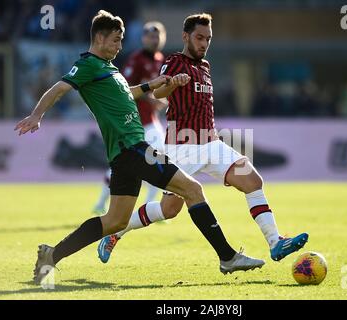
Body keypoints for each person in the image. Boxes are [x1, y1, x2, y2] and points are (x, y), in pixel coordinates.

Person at [15, 10, 265, 285]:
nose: (119, 46)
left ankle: (52, 255)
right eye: (115, 41)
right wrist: (37, 115)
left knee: (115, 221)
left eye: (121, 41)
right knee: (193, 189)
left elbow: (126, 93)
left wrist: (150, 85)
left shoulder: (109, 68)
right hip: (132, 148)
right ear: (99, 38)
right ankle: (228, 257)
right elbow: (58, 89)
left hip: (126, 153)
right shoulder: (87, 66)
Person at [98, 13, 308, 265]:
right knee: (168, 210)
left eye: (208, 39)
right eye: (199, 38)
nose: (204, 43)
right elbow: (159, 91)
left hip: (211, 143)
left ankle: (275, 242)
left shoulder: (205, 66)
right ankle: (115, 233)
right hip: (182, 147)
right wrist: (173, 84)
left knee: (253, 181)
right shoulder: (174, 62)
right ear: (186, 36)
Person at [93, 21, 168, 214]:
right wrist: (150, 99)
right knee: (151, 159)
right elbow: (125, 88)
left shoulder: (160, 60)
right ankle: (105, 204)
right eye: (151, 36)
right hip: (134, 119)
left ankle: (148, 207)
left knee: (156, 159)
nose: (154, 39)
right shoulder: (136, 59)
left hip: (151, 120)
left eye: (157, 36)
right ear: (143, 38)